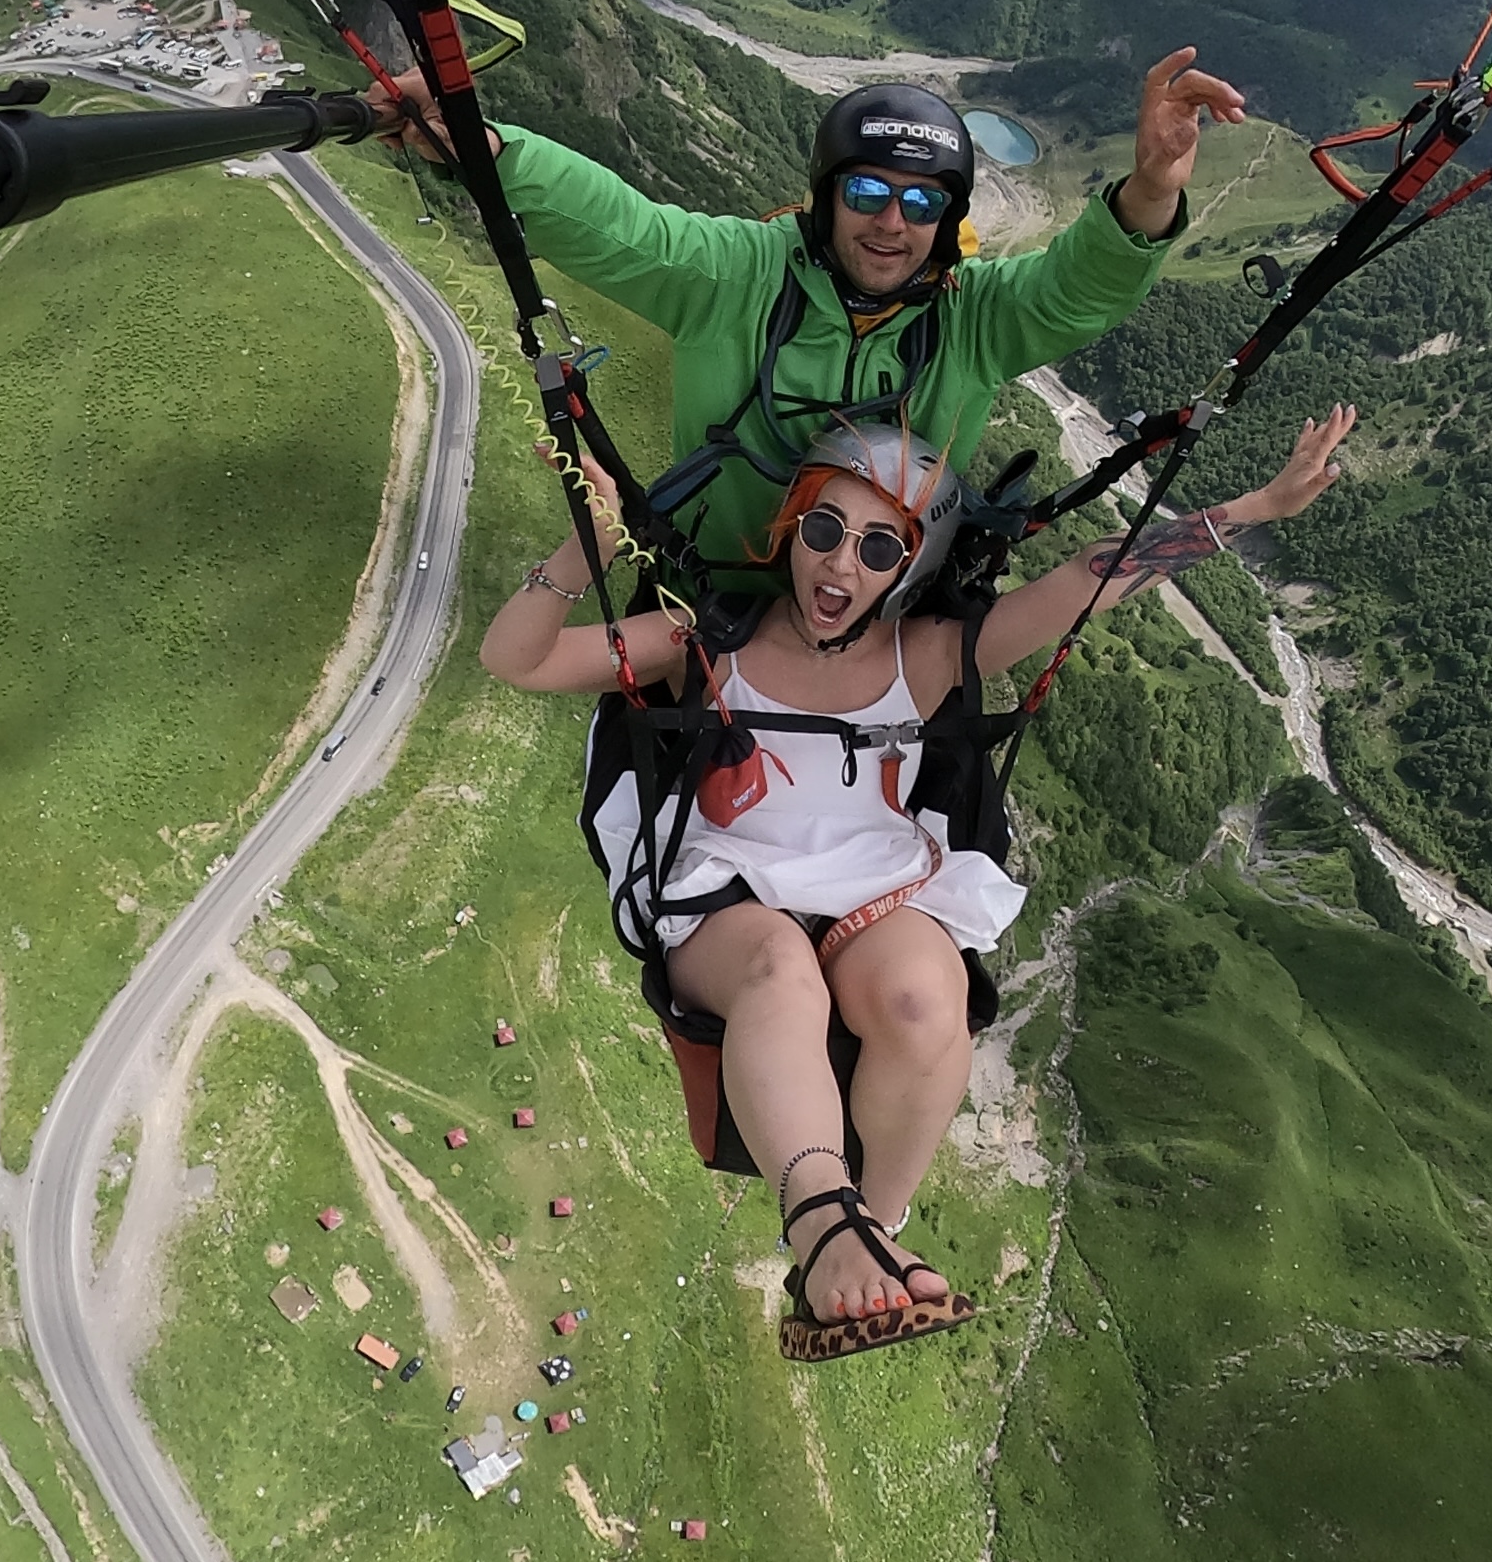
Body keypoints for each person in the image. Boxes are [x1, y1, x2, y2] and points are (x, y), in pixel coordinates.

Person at [481, 404, 1357, 1362]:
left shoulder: (929, 656)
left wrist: (1252, 508)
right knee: (779, 971)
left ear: (909, 565)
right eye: (824, 529)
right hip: (726, 890)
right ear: (792, 528)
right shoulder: (707, 639)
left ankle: (878, 1226)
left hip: (875, 891)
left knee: (924, 1000)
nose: (839, 565)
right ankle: (823, 1232)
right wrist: (585, 550)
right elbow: (518, 659)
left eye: (877, 547)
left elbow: (1089, 579)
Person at [377, 49, 1246, 581]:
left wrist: (1151, 188)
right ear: (826, 197)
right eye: (867, 192)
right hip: (713, 598)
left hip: (880, 615)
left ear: (947, 220)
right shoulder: (741, 274)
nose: (892, 222)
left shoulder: (976, 317)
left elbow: (1077, 288)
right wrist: (491, 153)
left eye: (922, 202)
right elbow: (623, 227)